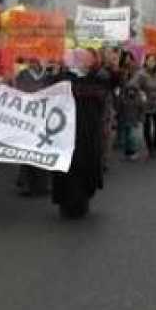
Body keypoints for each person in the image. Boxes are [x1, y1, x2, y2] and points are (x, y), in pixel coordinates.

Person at [52, 49, 107, 219]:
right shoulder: (62, 78)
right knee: (66, 168)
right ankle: (65, 203)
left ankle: (82, 202)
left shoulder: (96, 78)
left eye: (84, 60)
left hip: (88, 131)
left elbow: (101, 95)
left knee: (85, 166)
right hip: (65, 131)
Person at [13, 58, 55, 197]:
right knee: (27, 149)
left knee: (42, 149)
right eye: (31, 59)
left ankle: (43, 184)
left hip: (43, 116)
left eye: (36, 59)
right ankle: (27, 184)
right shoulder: (22, 74)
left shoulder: (49, 76)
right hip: (27, 116)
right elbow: (16, 92)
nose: (34, 62)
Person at [132, 54, 156, 158]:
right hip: (145, 103)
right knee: (147, 126)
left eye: (153, 61)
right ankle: (150, 147)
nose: (151, 63)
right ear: (146, 62)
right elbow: (132, 85)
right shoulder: (141, 74)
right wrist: (140, 91)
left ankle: (155, 144)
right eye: (149, 61)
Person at [115, 52, 143, 161]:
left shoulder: (137, 73)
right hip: (123, 103)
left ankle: (133, 150)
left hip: (133, 103)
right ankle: (128, 151)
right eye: (126, 59)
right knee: (126, 128)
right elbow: (117, 86)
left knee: (131, 128)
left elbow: (138, 86)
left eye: (130, 59)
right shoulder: (120, 72)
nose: (128, 61)